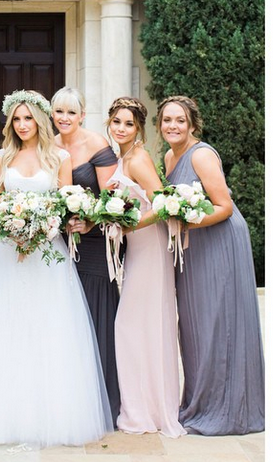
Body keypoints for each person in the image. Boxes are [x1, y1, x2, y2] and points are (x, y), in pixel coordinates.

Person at [0, 90, 114, 448]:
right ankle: (2, 415)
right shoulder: (2, 156)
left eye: (28, 118)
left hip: (47, 251)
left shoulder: (60, 158)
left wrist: (43, 226)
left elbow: (65, 204)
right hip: (6, 251)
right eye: (16, 119)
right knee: (5, 328)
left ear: (40, 120)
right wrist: (13, 226)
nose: (22, 125)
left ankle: (49, 415)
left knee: (48, 329)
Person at [158, 95, 265, 435]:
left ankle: (228, 409)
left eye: (180, 120)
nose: (173, 126)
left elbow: (224, 206)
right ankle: (200, 403)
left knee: (219, 322)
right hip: (193, 246)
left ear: (192, 124)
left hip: (219, 242)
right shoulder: (169, 156)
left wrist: (184, 221)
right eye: (167, 120)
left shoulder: (201, 155)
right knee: (195, 325)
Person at [105, 97, 185, 438]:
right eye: (117, 122)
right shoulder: (123, 157)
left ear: (138, 128)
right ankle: (144, 407)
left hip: (150, 248)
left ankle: (146, 411)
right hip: (138, 251)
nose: (121, 128)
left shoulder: (138, 158)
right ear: (109, 123)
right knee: (138, 327)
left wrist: (127, 225)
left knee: (133, 325)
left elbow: (164, 204)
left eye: (129, 124)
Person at [50, 87, 120, 424]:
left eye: (71, 112)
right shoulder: (49, 147)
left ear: (82, 115)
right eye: (59, 112)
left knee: (95, 313)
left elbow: (112, 198)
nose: (64, 118)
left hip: (94, 242)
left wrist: (90, 220)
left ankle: (104, 398)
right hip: (61, 243)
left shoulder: (97, 145)